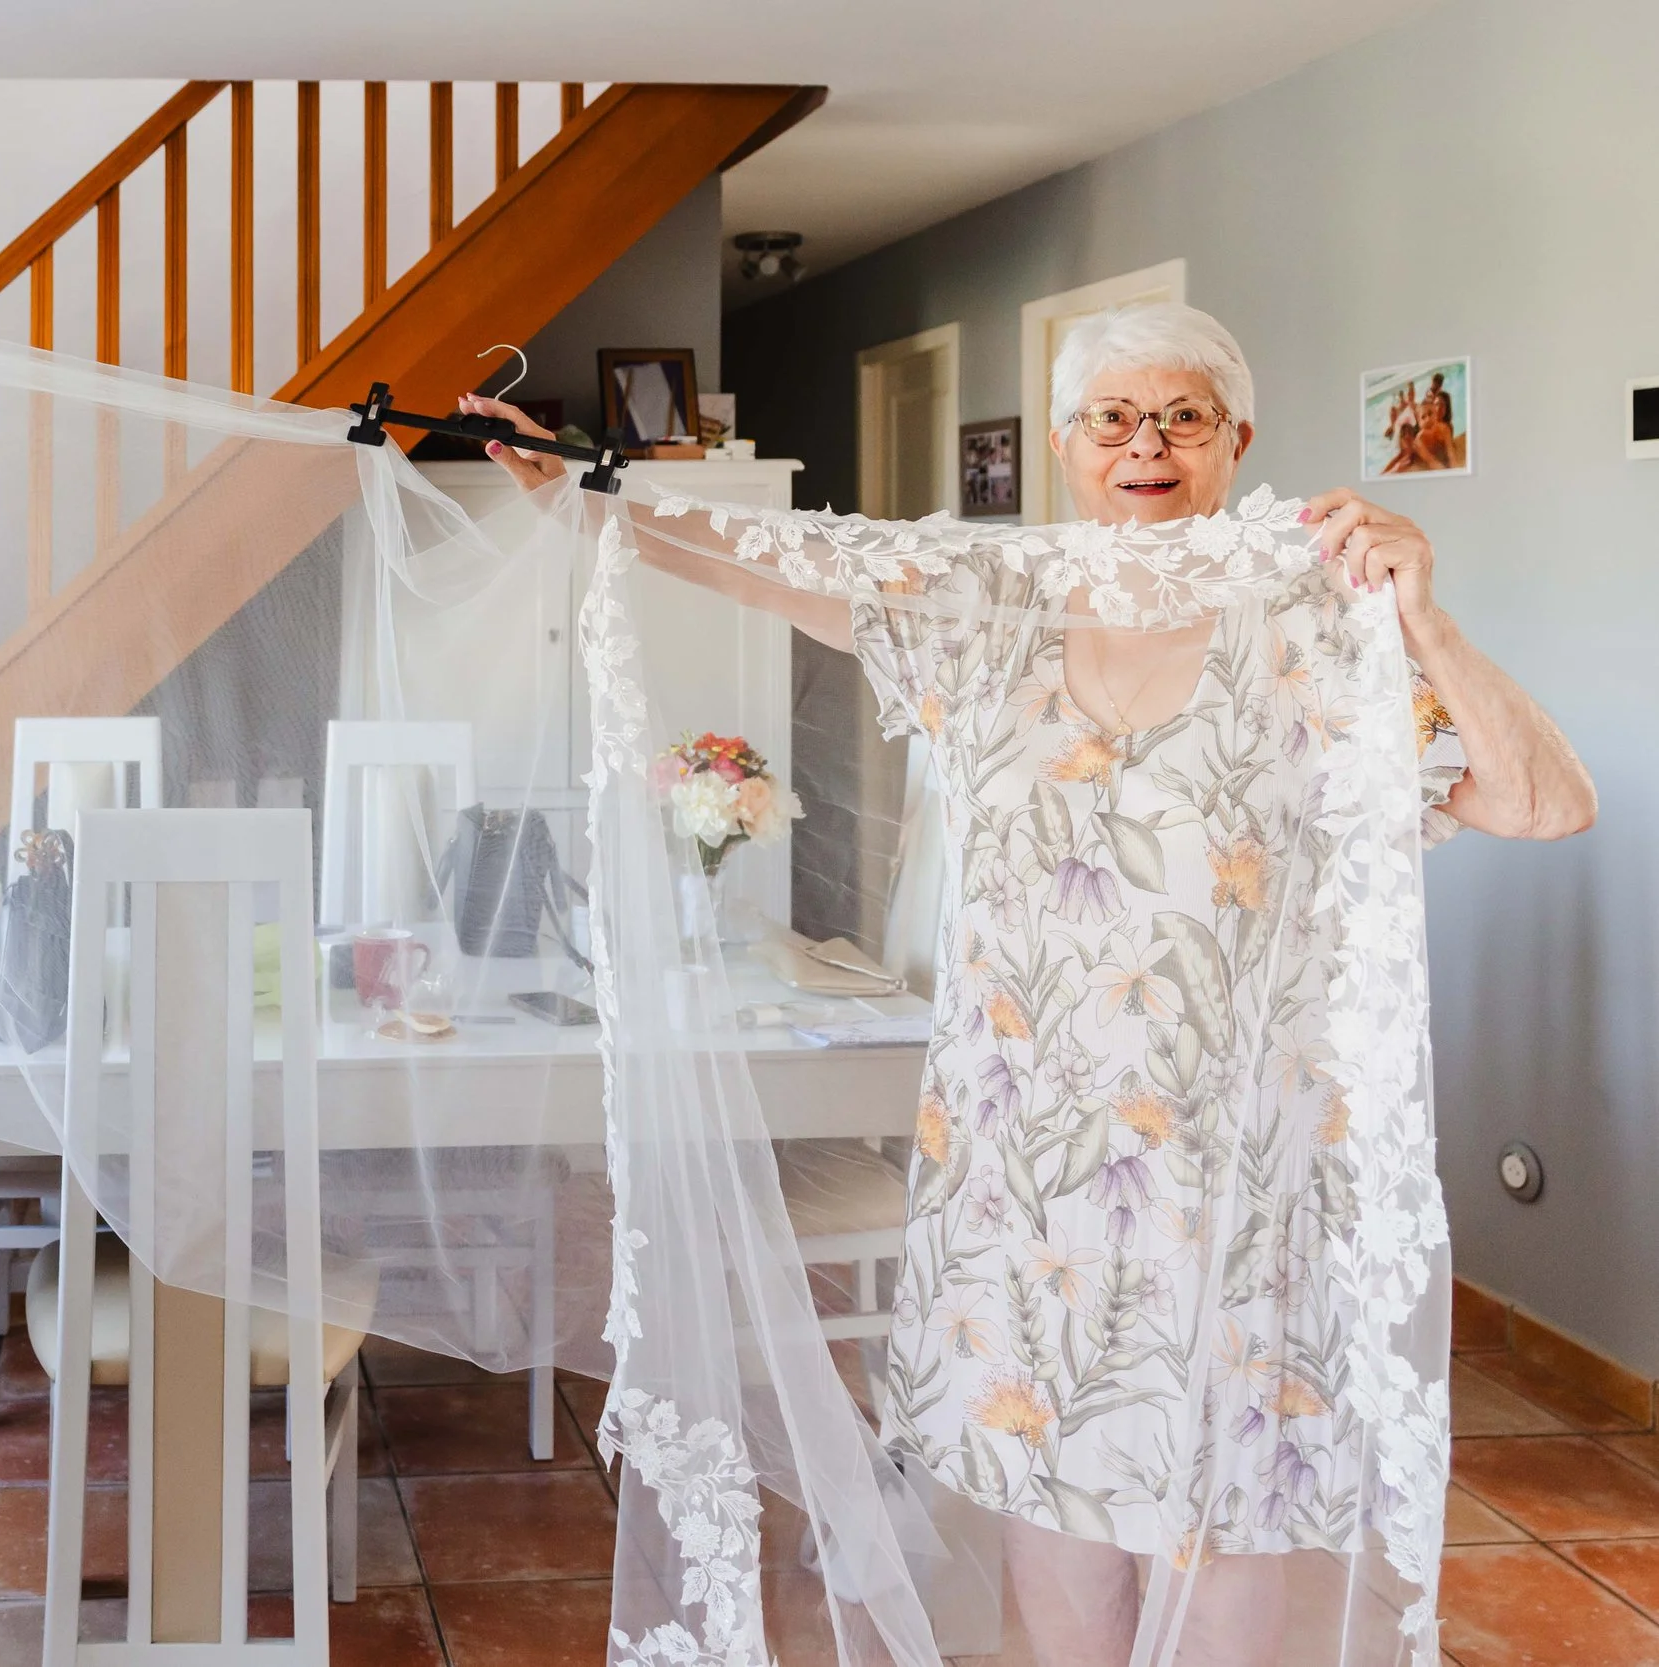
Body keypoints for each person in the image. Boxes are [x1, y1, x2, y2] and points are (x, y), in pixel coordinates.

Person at [470, 300, 1595, 1666]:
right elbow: (769, 558)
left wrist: (1426, 619)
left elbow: (1545, 801)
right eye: (1112, 415)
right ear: (1065, 444)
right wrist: (590, 494)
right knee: (1052, 1527)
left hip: (1240, 1183)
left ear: (1238, 441)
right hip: (1028, 1175)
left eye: (1182, 414)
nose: (1146, 443)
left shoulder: (1317, 631)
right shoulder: (980, 611)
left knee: (1221, 1525)